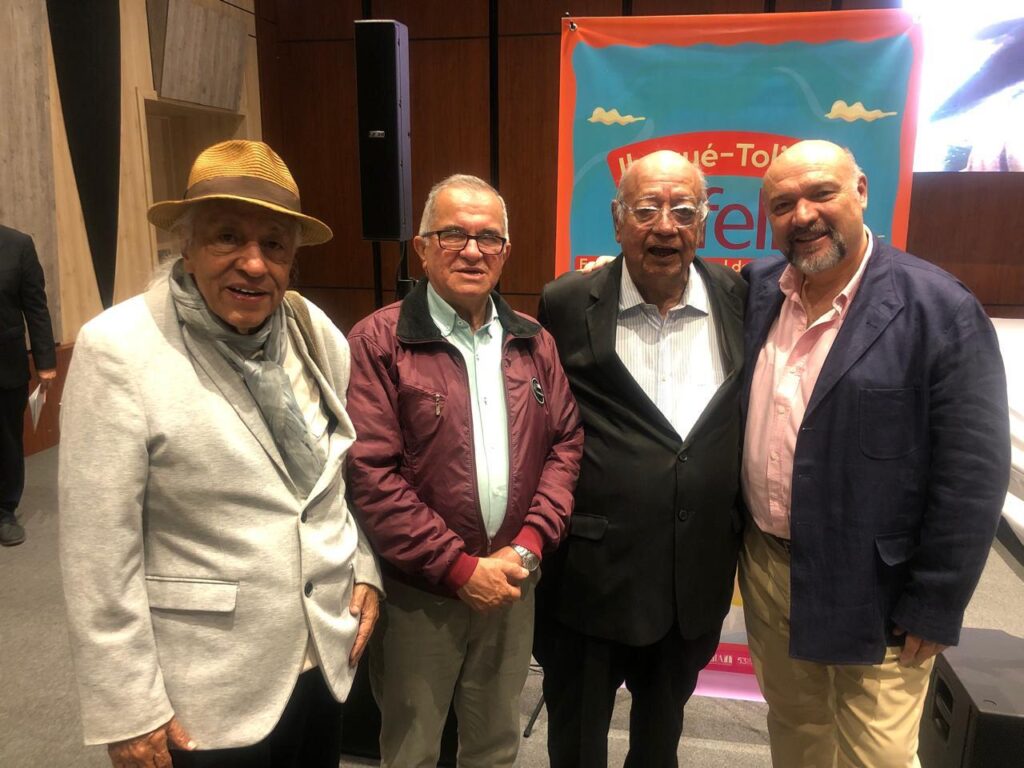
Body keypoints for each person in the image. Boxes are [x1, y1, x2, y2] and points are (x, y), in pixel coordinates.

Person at [59, 139, 382, 768]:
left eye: (274, 244)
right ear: (186, 245)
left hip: (321, 659)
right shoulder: (119, 350)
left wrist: (363, 565)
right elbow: (97, 551)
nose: (254, 264)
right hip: (204, 689)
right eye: (227, 237)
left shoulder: (313, 332)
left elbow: (328, 481)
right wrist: (127, 708)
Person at [740, 139, 1010, 767]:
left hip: (878, 587)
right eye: (783, 204)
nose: (803, 215)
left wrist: (937, 602)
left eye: (821, 193)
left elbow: (972, 473)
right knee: (796, 733)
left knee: (877, 756)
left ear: (861, 191)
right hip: (769, 571)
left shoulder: (939, 308)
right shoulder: (760, 289)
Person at [345, 174, 583, 768]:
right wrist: (457, 568)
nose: (472, 251)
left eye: (488, 237)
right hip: (419, 592)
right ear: (422, 248)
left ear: (506, 250)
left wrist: (528, 546)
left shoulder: (534, 342)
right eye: (453, 234)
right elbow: (371, 474)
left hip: (512, 582)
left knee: (495, 744)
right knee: (411, 748)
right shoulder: (378, 341)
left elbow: (565, 445)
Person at [535, 150, 746, 768]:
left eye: (683, 210)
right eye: (647, 208)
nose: (665, 226)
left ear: (704, 221)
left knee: (660, 746)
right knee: (576, 746)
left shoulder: (737, 296)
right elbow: (543, 425)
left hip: (691, 579)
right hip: (591, 577)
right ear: (617, 219)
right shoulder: (565, 303)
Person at [0, 225, 57, 546]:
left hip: (5, 365)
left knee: (7, 441)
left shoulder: (17, 244)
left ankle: (4, 510)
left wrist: (45, 361)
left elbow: (35, 306)